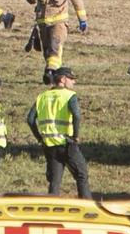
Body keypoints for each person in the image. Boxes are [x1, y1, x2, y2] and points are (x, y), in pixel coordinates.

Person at [27, 67, 91, 199]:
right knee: (82, 175)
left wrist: (39, 137)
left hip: (49, 145)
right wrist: (76, 135)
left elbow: (30, 119)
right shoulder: (69, 95)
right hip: (67, 144)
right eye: (71, 79)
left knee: (55, 181)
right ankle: (87, 208)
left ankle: (51, 211)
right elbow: (77, 116)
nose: (74, 82)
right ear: (62, 79)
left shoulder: (42, 97)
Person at [30, 0, 88, 84]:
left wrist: (82, 19)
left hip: (59, 23)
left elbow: (77, 0)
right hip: (42, 24)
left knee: (55, 47)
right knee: (47, 52)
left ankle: (49, 72)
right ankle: (55, 76)